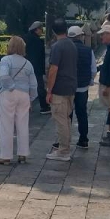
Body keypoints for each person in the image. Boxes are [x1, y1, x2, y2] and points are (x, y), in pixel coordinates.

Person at [0, 36, 38, 165]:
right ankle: (23, 154)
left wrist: (11, 86)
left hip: (9, 93)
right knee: (23, 124)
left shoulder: (6, 60)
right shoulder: (27, 63)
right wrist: (31, 98)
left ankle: (5, 156)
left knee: (6, 124)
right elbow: (33, 84)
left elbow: (3, 76)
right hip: (24, 95)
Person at [46, 19, 78, 161]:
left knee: (60, 120)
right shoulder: (72, 45)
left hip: (59, 87)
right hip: (71, 86)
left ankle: (63, 150)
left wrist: (49, 90)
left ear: (53, 31)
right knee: (66, 119)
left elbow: (53, 69)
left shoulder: (57, 47)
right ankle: (65, 147)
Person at [69, 26, 96, 149]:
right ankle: (83, 139)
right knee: (82, 114)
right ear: (80, 36)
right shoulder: (88, 50)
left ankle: (65, 139)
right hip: (82, 87)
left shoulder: (66, 49)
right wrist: (90, 80)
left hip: (68, 87)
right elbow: (93, 69)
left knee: (67, 114)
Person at [23, 21, 49, 114]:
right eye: (41, 29)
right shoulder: (38, 41)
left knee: (25, 86)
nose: (42, 31)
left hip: (25, 66)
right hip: (36, 67)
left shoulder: (25, 38)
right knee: (40, 87)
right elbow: (40, 56)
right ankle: (44, 106)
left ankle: (25, 105)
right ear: (36, 29)